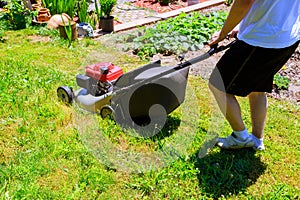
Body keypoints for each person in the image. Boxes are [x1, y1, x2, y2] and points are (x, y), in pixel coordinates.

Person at [208, 0, 300, 150]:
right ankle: (257, 140)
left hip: (261, 40)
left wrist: (222, 33)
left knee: (218, 85)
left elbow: (244, 2)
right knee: (257, 89)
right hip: (286, 38)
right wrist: (247, 23)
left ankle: (240, 137)